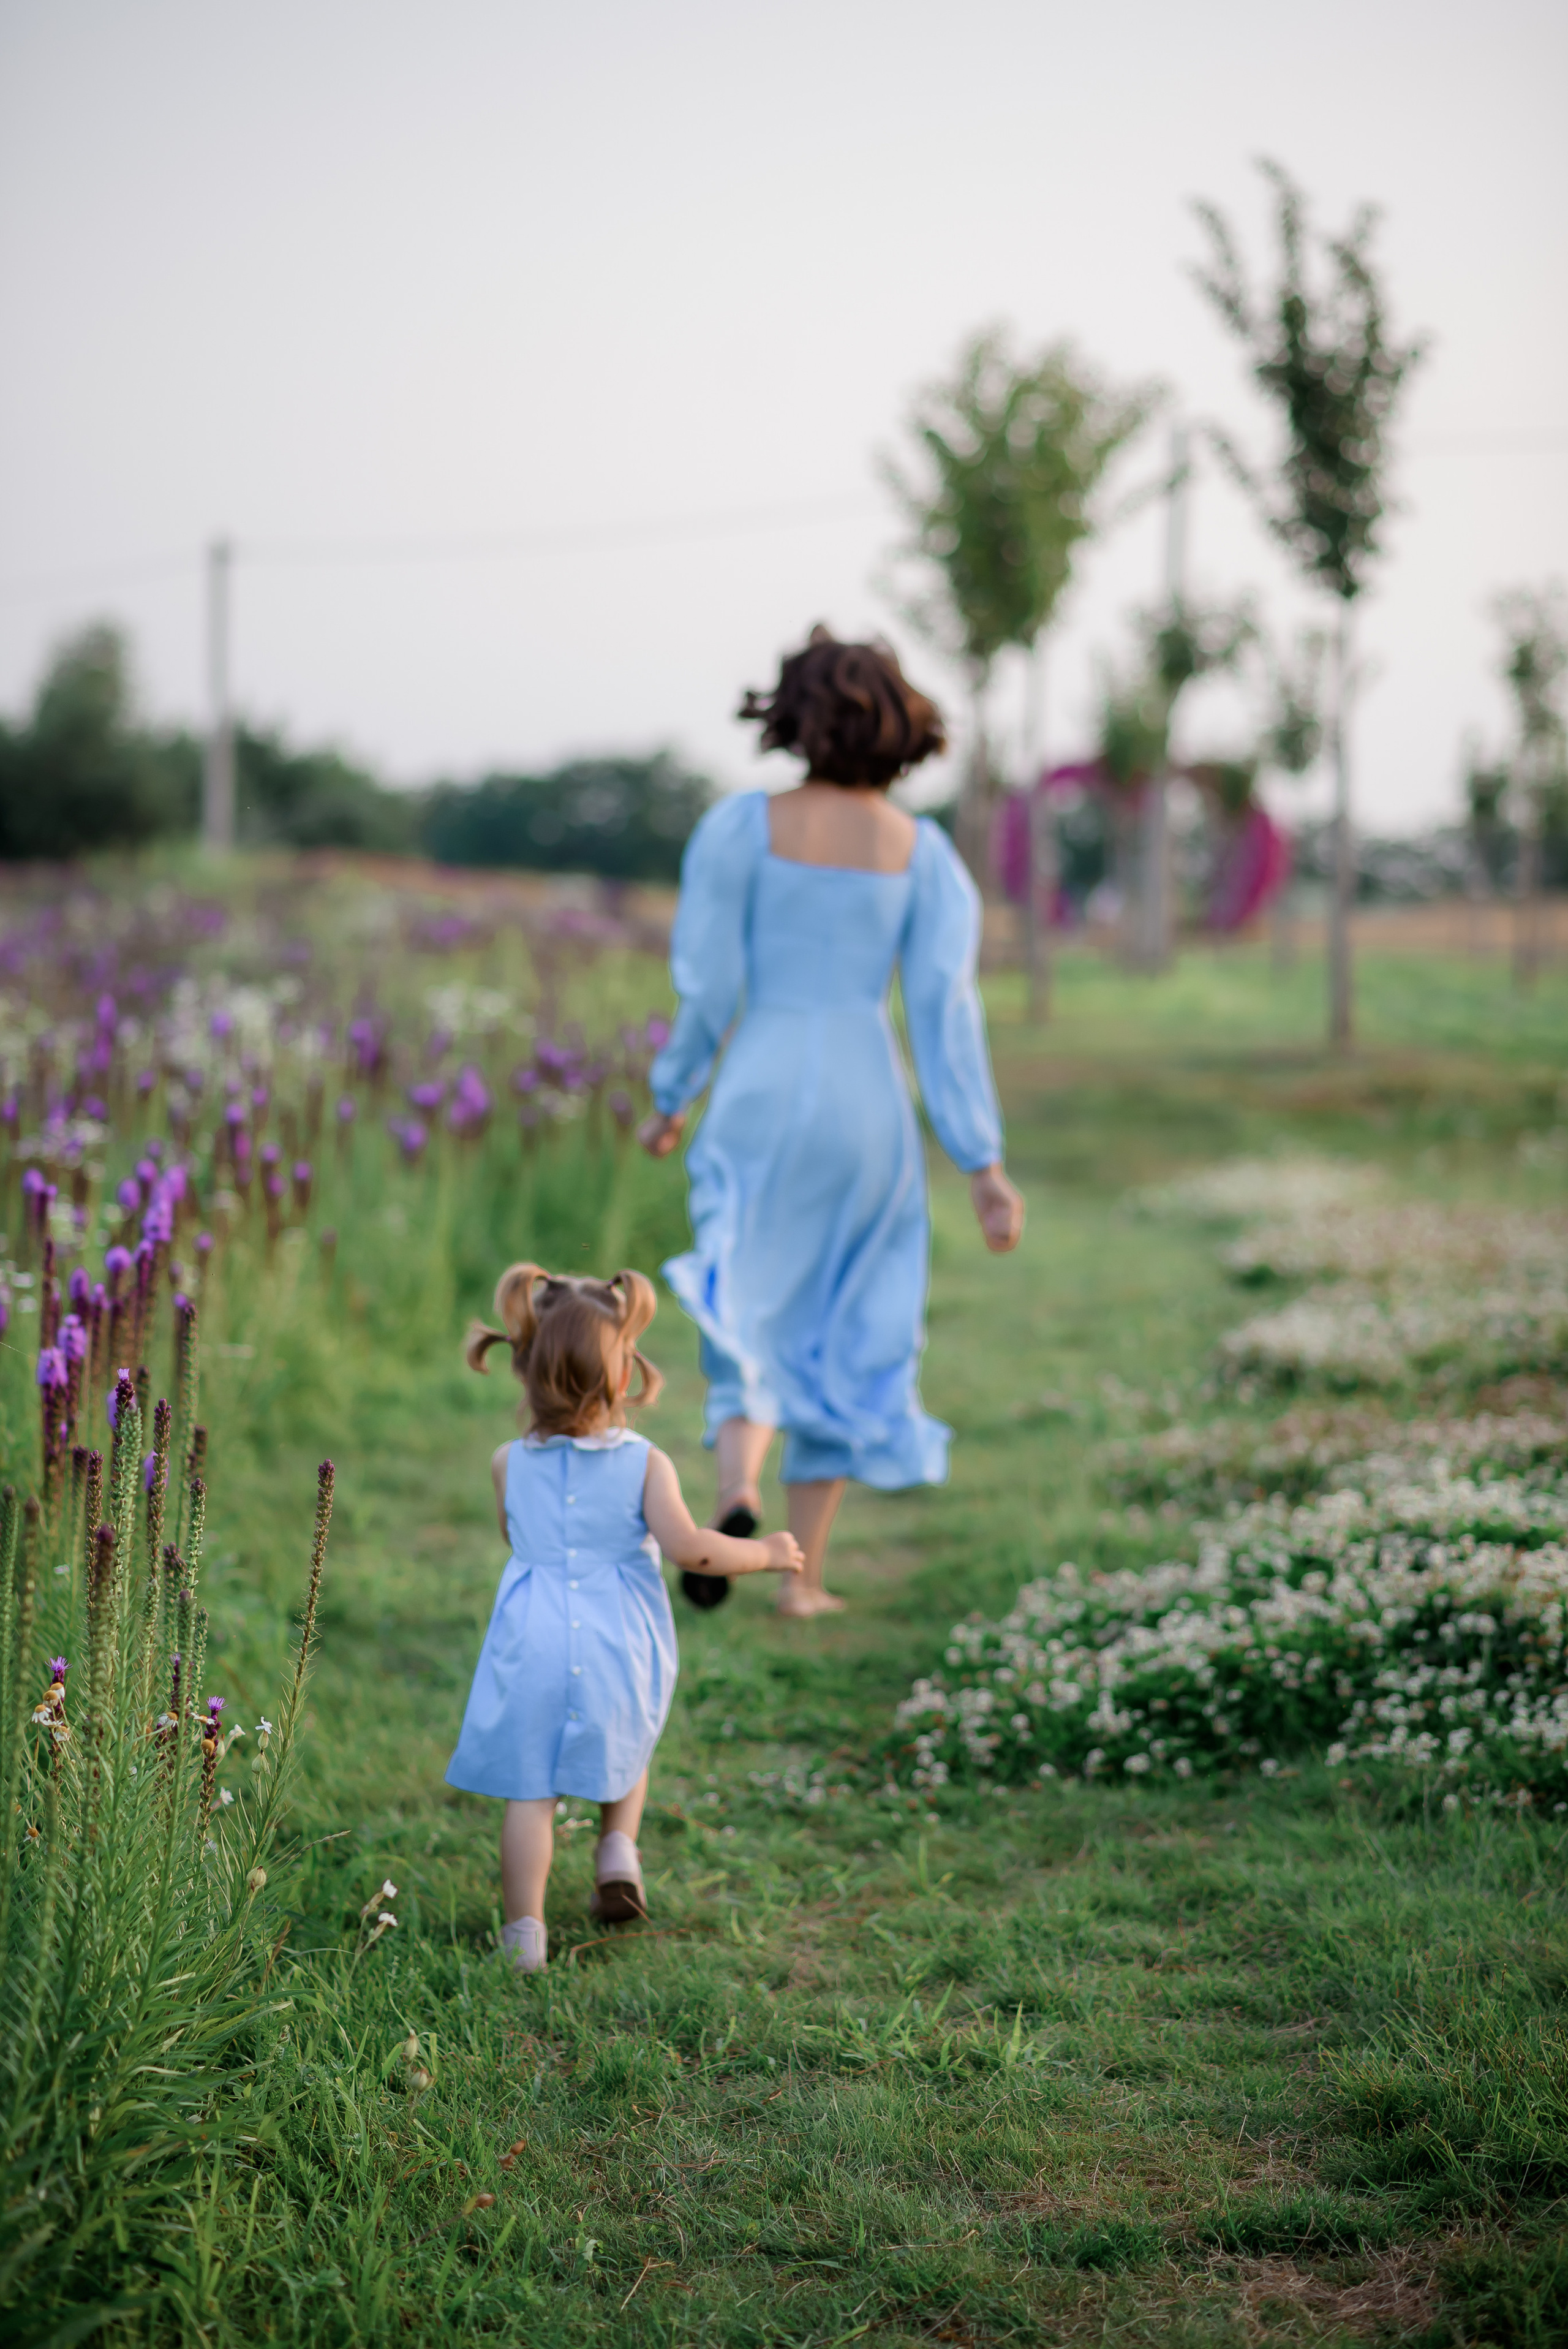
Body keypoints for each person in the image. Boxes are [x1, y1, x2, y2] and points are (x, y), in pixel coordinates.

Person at [639, 626, 1024, 1619]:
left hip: (762, 1084)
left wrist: (675, 1091)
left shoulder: (740, 828)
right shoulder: (923, 854)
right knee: (847, 1316)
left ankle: (735, 1488)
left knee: (744, 1289)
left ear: (795, 717)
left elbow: (710, 980)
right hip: (866, 1101)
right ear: (901, 725)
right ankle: (800, 1578)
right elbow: (945, 1014)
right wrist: (981, 1161)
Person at [445, 1261, 802, 1972]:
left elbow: (516, 1539)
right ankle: (617, 1851)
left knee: (531, 1789)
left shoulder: (506, 1462)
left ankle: (524, 1937)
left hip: (532, 1640)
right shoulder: (645, 1463)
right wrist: (763, 1553)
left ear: (526, 1367)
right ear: (620, 1372)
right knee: (627, 1735)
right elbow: (691, 1551)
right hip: (618, 1639)